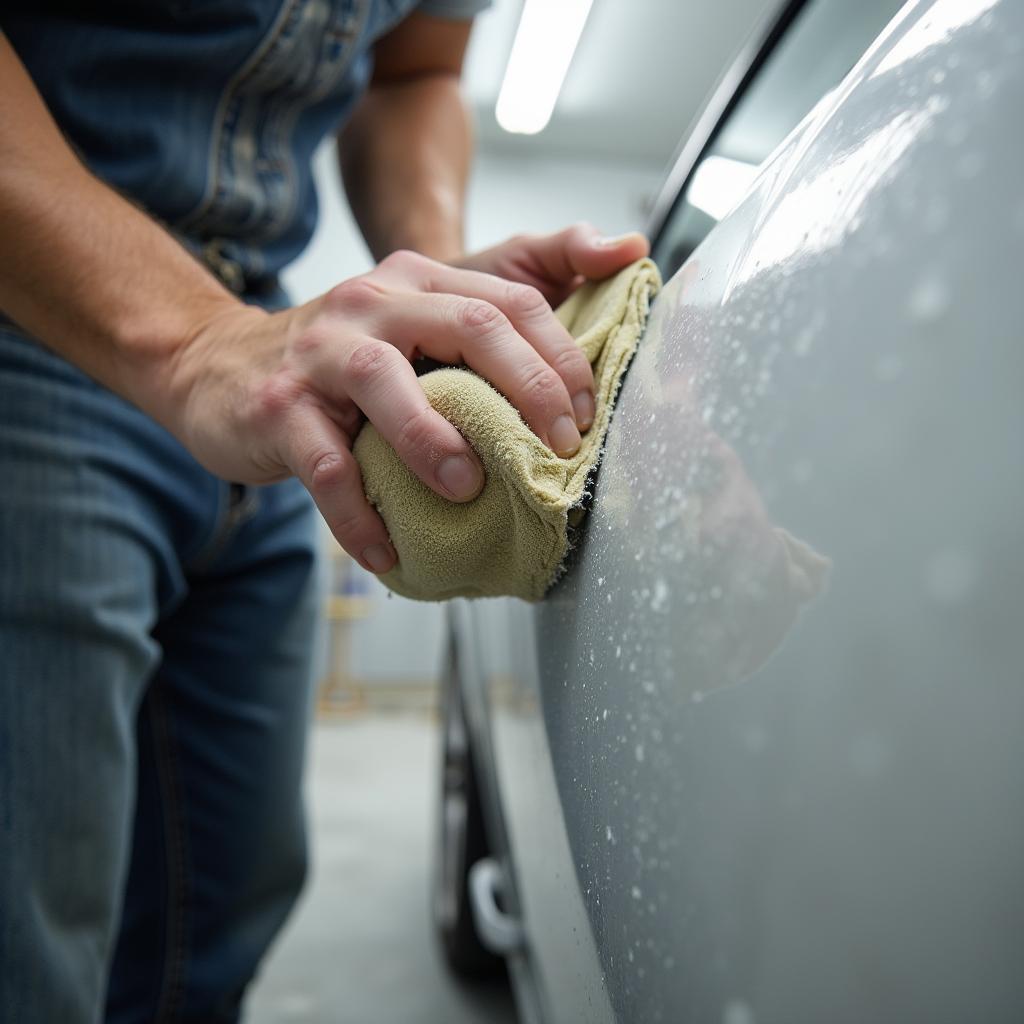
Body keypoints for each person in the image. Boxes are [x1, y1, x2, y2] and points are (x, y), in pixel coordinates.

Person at [0, 1, 647, 1020]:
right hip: (42, 326)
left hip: (259, 354)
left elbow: (411, 75)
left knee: (220, 903)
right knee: (29, 944)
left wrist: (432, 267)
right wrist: (190, 344)